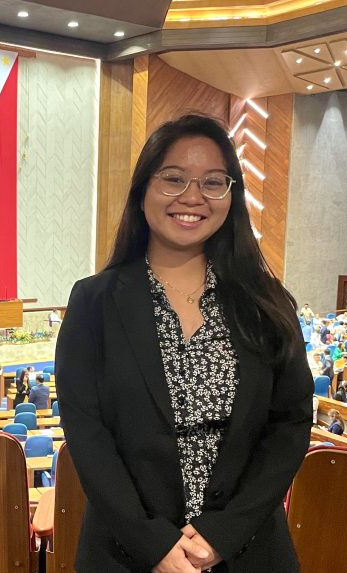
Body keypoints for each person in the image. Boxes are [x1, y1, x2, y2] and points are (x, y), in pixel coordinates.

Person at [57, 115, 311, 572]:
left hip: (246, 550)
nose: (192, 197)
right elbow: (87, 432)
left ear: (230, 197)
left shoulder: (264, 302)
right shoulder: (94, 301)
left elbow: (290, 424)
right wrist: (152, 544)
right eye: (173, 178)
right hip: (128, 553)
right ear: (143, 190)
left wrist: (223, 534)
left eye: (213, 182)